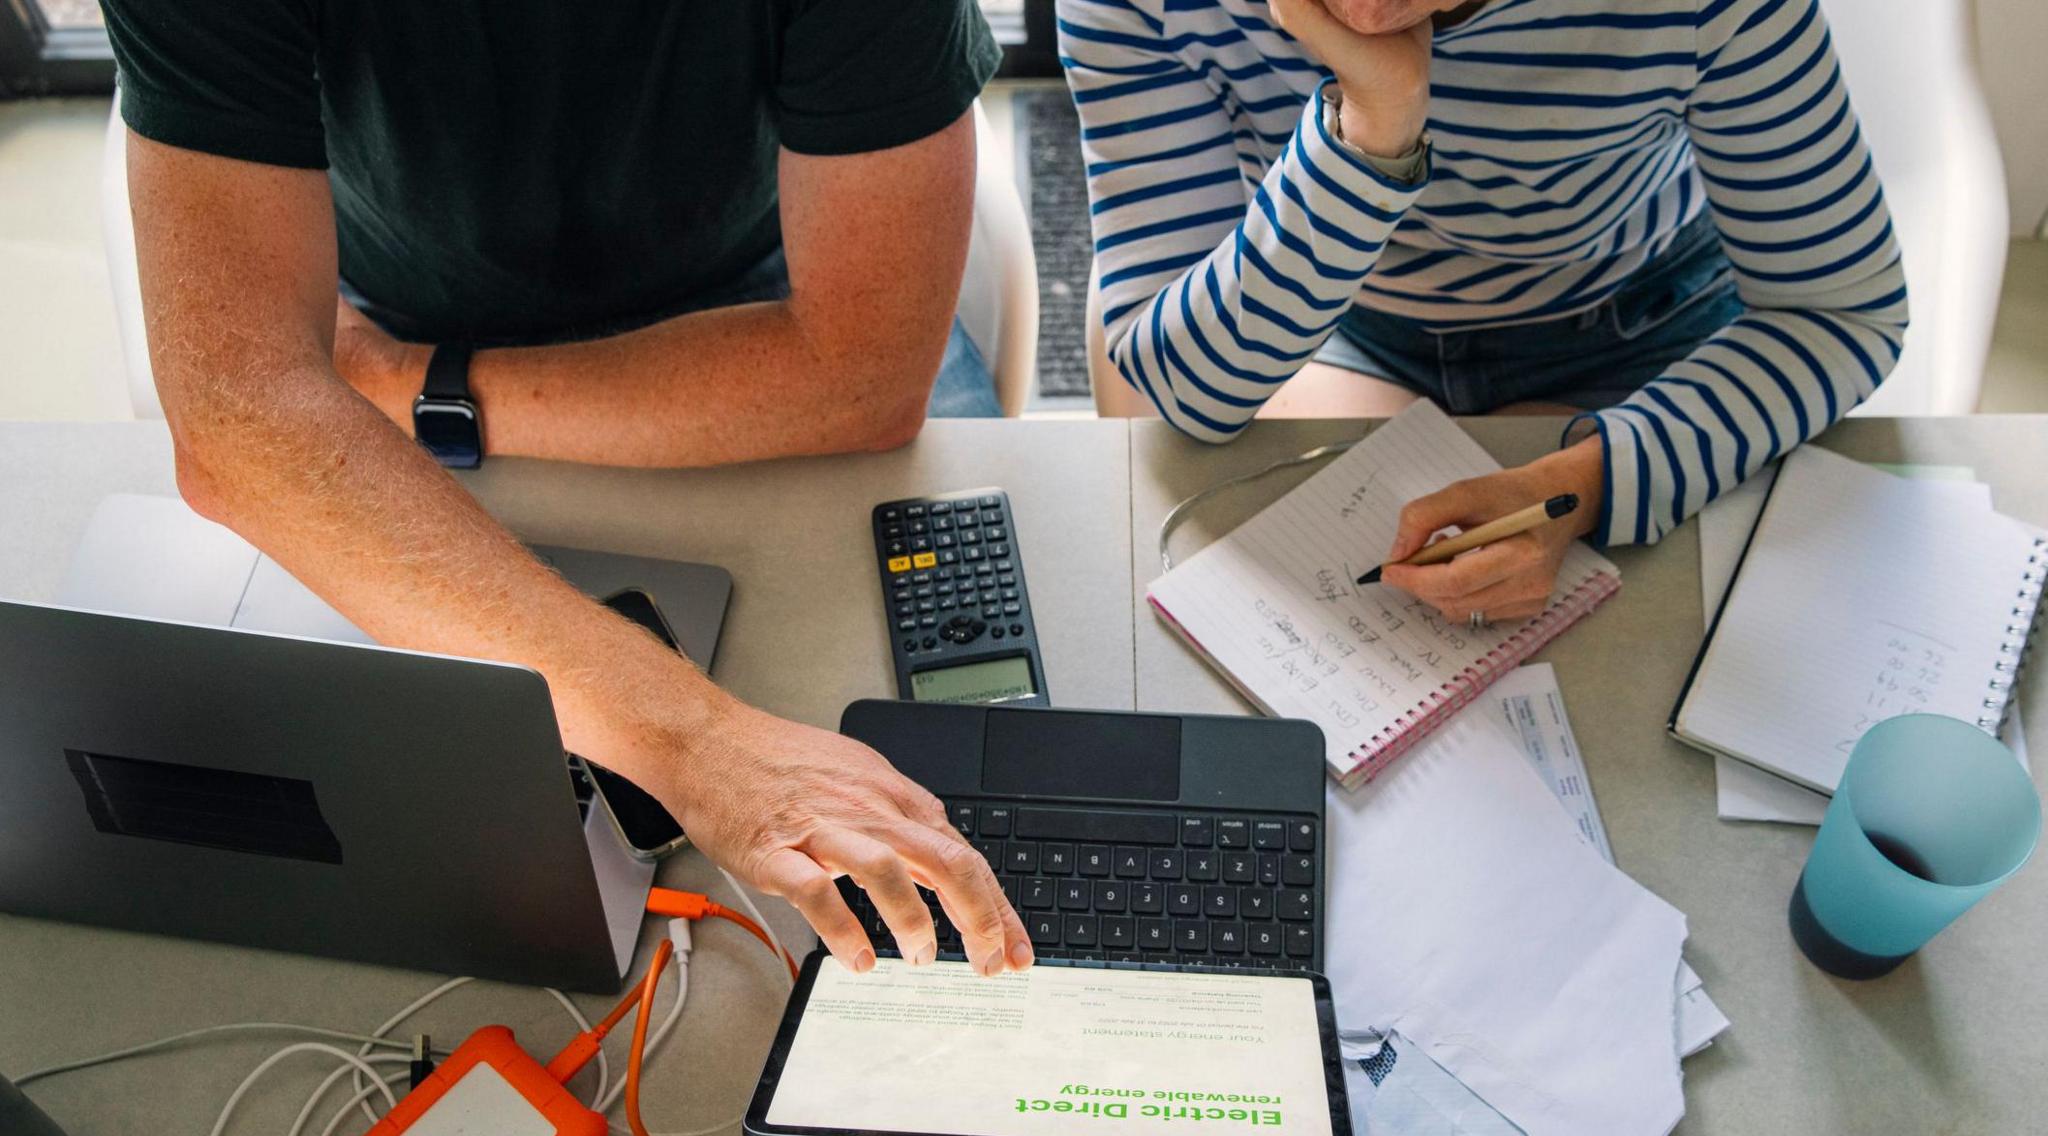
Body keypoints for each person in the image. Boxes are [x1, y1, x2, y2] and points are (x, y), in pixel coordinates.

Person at [100, 0, 1032, 977]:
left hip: (742, 300)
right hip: (385, 318)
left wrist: (415, 385)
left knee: (985, 796)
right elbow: (236, 419)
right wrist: (701, 745)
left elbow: (866, 377)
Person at [1062, 0, 1909, 624]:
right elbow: (1183, 388)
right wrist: (1373, 130)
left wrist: (1587, 483)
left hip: (1637, 323)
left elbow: (1842, 313)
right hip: (1338, 317)